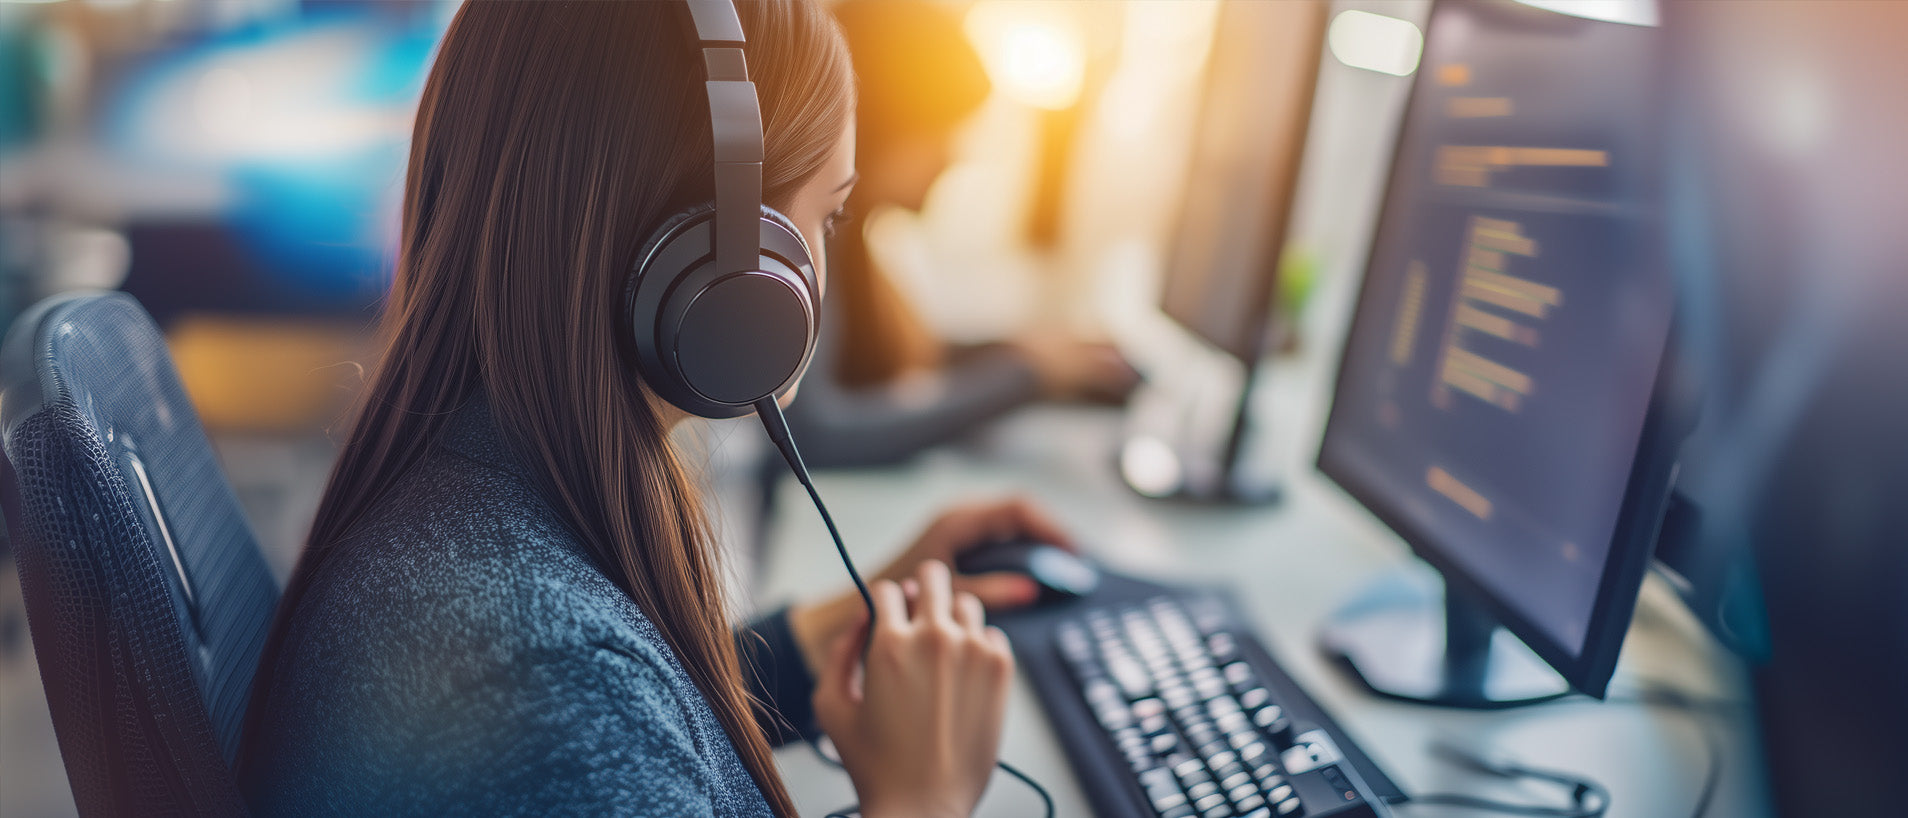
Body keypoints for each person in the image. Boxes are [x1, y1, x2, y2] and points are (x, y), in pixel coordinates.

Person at [237, 2, 1074, 815]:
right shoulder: (540, 679)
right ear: (729, 263)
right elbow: (577, 717)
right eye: (830, 214)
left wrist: (829, 634)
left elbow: (627, 726)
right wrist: (923, 799)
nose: (816, 268)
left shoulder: (486, 499)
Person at [781, 0, 1139, 467]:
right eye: (943, 130)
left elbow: (893, 358)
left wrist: (1020, 351)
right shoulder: (809, 241)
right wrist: (1026, 376)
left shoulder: (854, 243)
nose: (954, 156)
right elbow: (813, 435)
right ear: (891, 121)